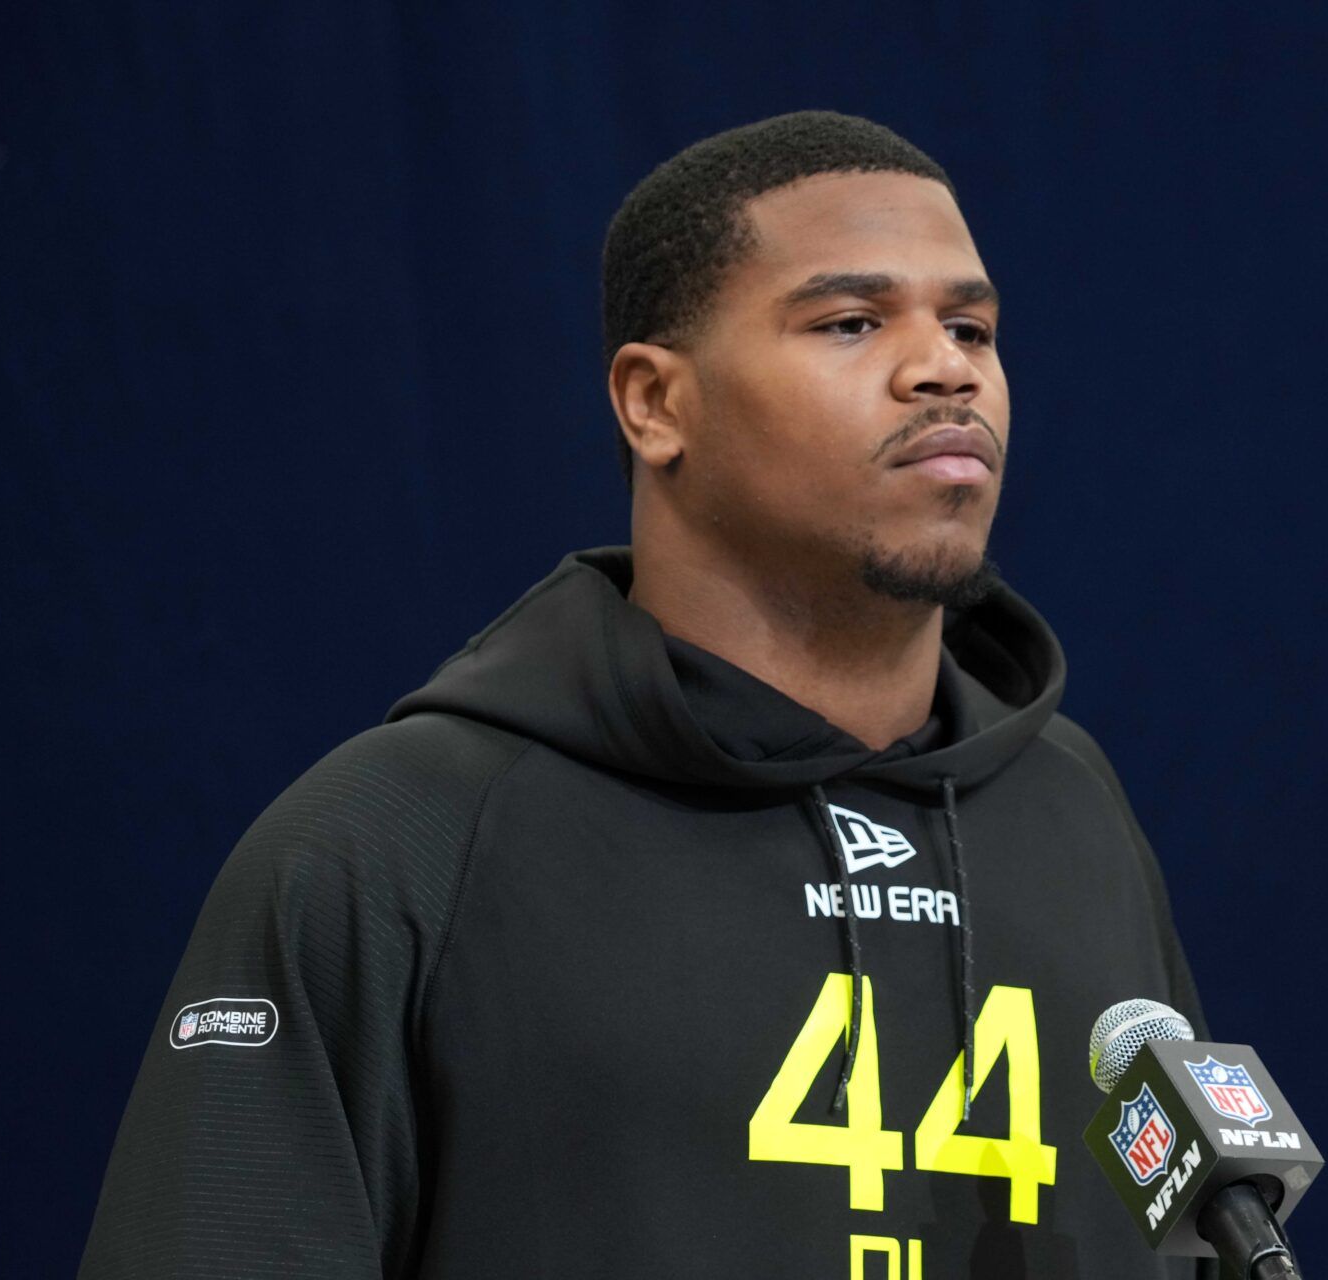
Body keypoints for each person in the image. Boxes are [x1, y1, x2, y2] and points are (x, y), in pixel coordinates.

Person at [80, 109, 1211, 1279]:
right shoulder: (398, 840)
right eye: (852, 320)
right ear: (655, 404)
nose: (946, 366)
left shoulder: (1077, 815)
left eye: (970, 324)